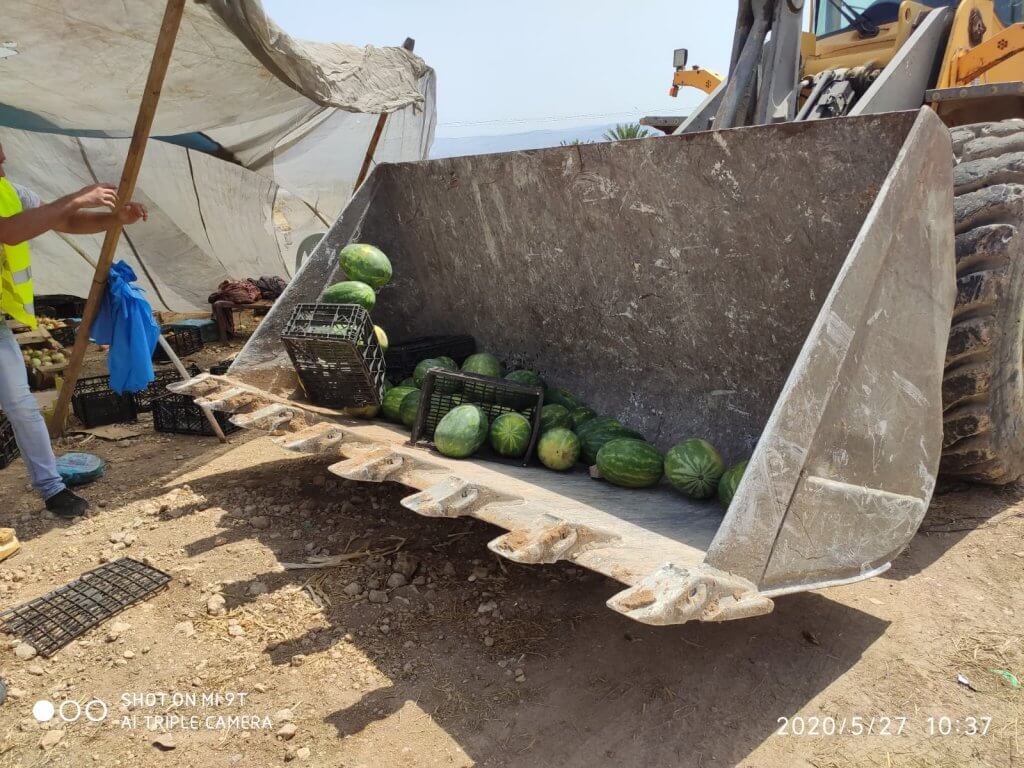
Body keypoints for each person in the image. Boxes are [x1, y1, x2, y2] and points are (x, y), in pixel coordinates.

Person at [0, 141, 148, 518]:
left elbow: (64, 221)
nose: (3, 158)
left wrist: (113, 220)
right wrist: (78, 197)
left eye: (1, 151)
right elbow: (11, 232)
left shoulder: (12, 192)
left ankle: (53, 490)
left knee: (20, 404)